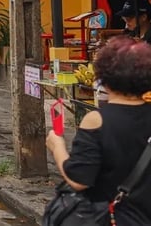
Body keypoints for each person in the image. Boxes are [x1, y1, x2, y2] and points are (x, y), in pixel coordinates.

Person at [46, 35, 151, 224]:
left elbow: (78, 180)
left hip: (111, 218)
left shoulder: (97, 120)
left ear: (104, 78)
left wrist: (57, 147)